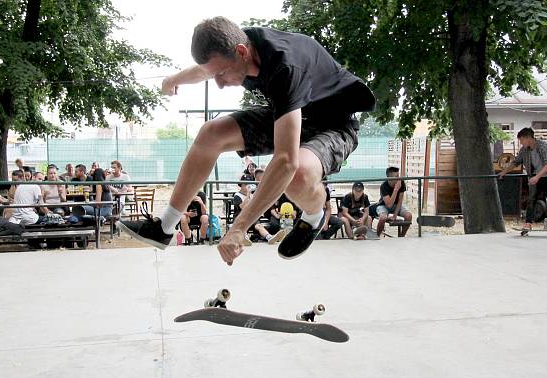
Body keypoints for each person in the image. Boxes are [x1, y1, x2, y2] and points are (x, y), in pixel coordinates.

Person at [117, 16, 375, 264]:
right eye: (214, 75)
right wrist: (173, 80)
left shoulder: (286, 66)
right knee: (211, 134)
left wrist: (239, 228)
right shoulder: (237, 43)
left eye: (222, 74)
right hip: (290, 113)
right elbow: (206, 69)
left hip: (334, 125)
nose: (218, 83)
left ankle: (314, 214)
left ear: (242, 52)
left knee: (297, 175)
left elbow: (285, 161)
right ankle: (164, 226)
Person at [498, 127, 547, 232]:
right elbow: (516, 162)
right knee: (531, 200)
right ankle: (528, 223)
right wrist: (504, 172)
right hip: (534, 176)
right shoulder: (524, 150)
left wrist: (537, 177)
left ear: (528, 138)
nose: (520, 143)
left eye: (521, 140)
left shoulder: (544, 146)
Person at [375, 166, 412, 237]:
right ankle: (377, 236)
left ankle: (402, 236)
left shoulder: (401, 183)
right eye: (396, 176)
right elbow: (389, 204)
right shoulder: (384, 186)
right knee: (383, 218)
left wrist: (395, 215)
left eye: (398, 175)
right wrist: (396, 189)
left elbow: (400, 201)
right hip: (384, 205)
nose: (399, 178)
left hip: (396, 205)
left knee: (408, 216)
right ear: (390, 178)